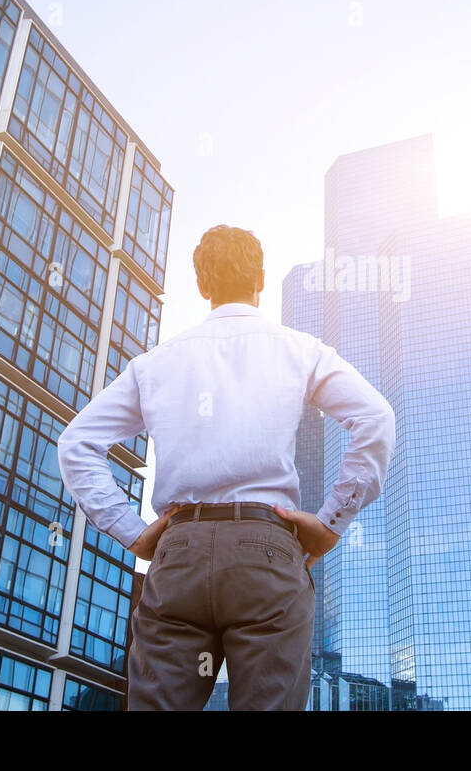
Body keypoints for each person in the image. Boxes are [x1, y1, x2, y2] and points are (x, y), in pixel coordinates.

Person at [56, 224, 395, 710]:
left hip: (180, 555)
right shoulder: (300, 350)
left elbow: (76, 444)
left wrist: (133, 531)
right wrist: (330, 523)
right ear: (260, 278)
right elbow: (375, 418)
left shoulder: (154, 365)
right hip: (268, 553)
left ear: (202, 286)